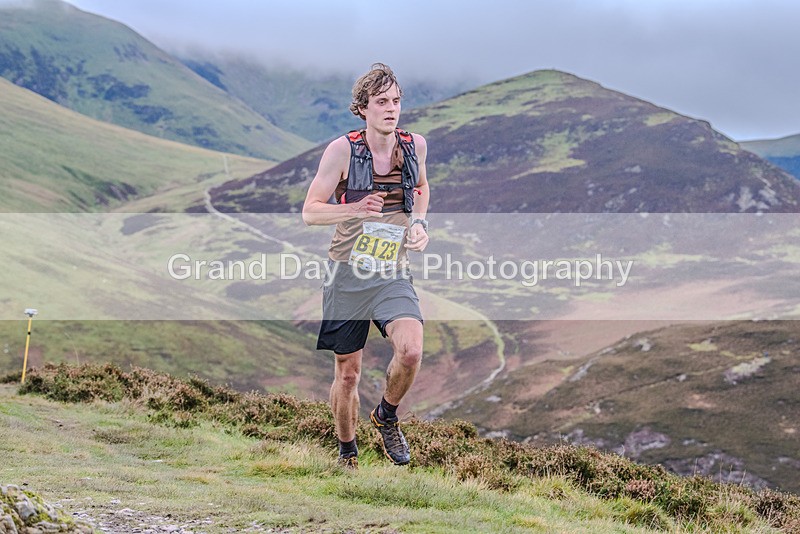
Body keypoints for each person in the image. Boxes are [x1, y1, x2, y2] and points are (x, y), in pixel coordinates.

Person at [302, 63, 429, 469]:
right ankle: (347, 452)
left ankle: (386, 416)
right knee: (349, 375)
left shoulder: (415, 146)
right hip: (347, 274)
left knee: (410, 352)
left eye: (395, 101)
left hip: (392, 271)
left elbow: (422, 187)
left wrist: (420, 224)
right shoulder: (342, 151)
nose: (391, 109)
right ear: (362, 108)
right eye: (381, 102)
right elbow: (310, 212)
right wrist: (355, 207)